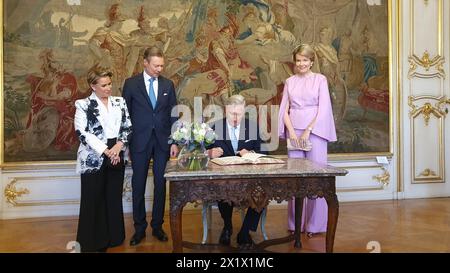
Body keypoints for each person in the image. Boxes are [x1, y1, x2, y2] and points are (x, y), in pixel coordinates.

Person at [278, 44, 337, 236]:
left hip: (316, 131)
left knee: (315, 178)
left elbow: (324, 108)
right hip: (294, 132)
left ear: (312, 61)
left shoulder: (320, 80)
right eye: (298, 60)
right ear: (295, 62)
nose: (301, 63)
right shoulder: (289, 81)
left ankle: (315, 225)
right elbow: (284, 110)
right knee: (295, 179)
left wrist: (308, 130)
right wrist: (292, 132)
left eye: (305, 60)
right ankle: (296, 225)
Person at [122, 46, 178, 246]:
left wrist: (174, 141)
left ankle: (157, 226)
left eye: (162, 65)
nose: (159, 69)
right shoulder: (131, 84)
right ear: (145, 63)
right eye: (156, 65)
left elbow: (173, 114)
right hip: (139, 141)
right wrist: (126, 144)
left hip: (162, 141)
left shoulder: (168, 85)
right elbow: (125, 116)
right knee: (138, 184)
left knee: (161, 185)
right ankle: (139, 229)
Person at [74, 68, 132, 252]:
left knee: (113, 196)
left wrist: (118, 147)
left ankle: (114, 237)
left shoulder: (120, 102)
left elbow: (127, 126)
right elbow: (82, 133)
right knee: (93, 198)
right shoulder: (83, 104)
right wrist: (107, 151)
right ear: (93, 86)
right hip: (94, 156)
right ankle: (93, 242)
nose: (108, 88)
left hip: (117, 152)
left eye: (110, 84)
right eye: (104, 85)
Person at [207, 94, 262, 248]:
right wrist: (209, 153)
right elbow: (201, 152)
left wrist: (250, 154)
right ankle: (227, 226)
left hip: (249, 179)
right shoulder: (215, 127)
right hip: (224, 178)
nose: (236, 117)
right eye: (233, 114)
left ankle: (244, 233)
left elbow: (263, 153)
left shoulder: (251, 127)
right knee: (223, 190)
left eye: (239, 113)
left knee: (262, 193)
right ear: (226, 111)